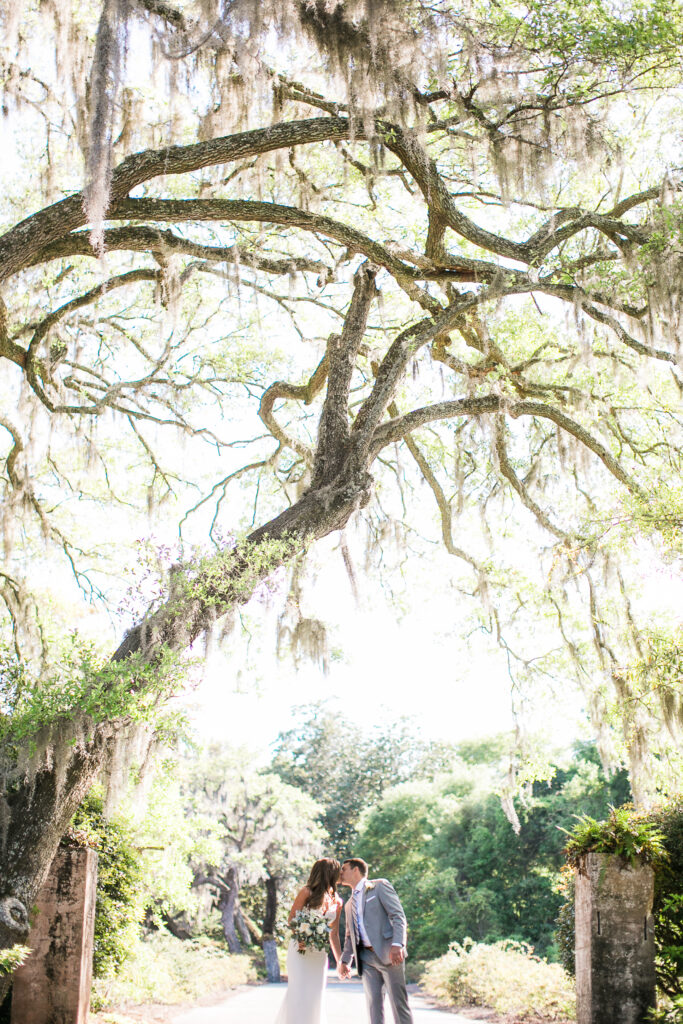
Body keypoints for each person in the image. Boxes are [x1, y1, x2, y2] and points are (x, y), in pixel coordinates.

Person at [337, 857, 414, 1024]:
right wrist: (345, 960)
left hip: (389, 954)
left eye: (344, 869)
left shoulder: (379, 886)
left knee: (398, 1004)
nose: (341, 873)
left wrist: (398, 944)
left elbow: (398, 915)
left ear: (356, 869)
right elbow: (350, 936)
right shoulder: (349, 904)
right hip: (366, 959)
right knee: (373, 1007)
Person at [274, 857, 343, 1024]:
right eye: (338, 871)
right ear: (330, 873)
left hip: (319, 955)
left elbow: (333, 934)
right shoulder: (306, 892)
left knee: (315, 995)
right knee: (298, 993)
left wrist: (341, 961)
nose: (341, 874)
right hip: (301, 948)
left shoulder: (337, 901)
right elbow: (292, 921)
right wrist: (305, 937)